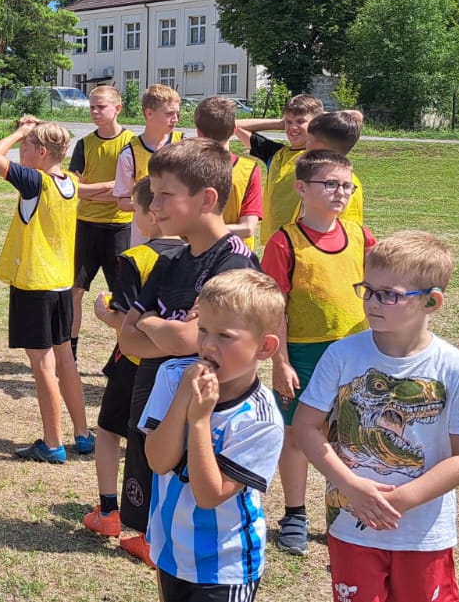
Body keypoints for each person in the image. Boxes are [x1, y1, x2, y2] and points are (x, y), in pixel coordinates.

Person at [293, 232, 459, 602]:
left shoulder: (456, 367)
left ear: (431, 302)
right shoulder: (341, 355)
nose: (373, 302)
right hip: (352, 525)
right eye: (368, 290)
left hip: (423, 533)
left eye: (390, 294)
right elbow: (305, 427)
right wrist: (351, 486)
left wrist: (402, 498)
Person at [116, 137, 262, 564]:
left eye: (165, 194)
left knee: (198, 502)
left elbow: (187, 341)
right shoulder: (171, 259)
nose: (153, 204)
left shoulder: (233, 263)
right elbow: (126, 339)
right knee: (162, 499)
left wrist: (149, 324)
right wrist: (165, 328)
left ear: (207, 198)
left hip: (207, 411)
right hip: (156, 399)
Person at [142, 269, 285, 602]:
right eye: (202, 330)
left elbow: (209, 495)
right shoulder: (172, 375)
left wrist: (200, 421)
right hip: (171, 550)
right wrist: (182, 399)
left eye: (225, 336)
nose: (207, 345)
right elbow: (158, 461)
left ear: (264, 347)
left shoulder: (260, 419)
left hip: (225, 565)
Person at [261, 150, 375, 555]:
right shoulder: (285, 241)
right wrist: (281, 362)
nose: (340, 192)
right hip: (305, 354)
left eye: (347, 185)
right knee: (296, 436)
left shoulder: (361, 235)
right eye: (331, 184)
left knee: (346, 436)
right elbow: (275, 305)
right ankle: (294, 514)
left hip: (356, 351)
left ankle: (343, 510)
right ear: (302, 189)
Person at [83, 177, 187, 537]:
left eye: (137, 209)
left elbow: (126, 319)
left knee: (110, 431)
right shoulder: (195, 255)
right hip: (178, 368)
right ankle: (157, 525)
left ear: (151, 214)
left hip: (135, 364)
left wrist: (101, 313)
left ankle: (110, 510)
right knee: (164, 444)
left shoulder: (135, 258)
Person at [0, 116, 87, 464]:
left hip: (35, 285)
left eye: (26, 147)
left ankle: (53, 442)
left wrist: (17, 132)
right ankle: (83, 435)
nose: (21, 152)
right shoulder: (70, 181)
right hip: (60, 283)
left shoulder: (36, 182)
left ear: (41, 151)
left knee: (42, 366)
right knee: (65, 361)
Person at [66, 84, 135, 362]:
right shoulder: (84, 144)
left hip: (120, 227)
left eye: (100, 106)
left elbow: (133, 191)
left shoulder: (133, 144)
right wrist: (113, 188)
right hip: (85, 225)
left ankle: (126, 354)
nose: (94, 111)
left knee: (121, 298)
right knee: (74, 291)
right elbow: (74, 190)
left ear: (117, 109)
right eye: (91, 106)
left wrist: (107, 191)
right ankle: (68, 353)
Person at [235, 94, 324, 246]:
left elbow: (355, 117)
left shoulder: (320, 155)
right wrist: (279, 123)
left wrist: (320, 121)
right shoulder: (275, 154)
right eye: (289, 122)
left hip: (304, 241)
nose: (292, 127)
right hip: (275, 240)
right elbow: (233, 125)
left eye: (300, 121)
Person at [116, 84, 186, 248]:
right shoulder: (130, 153)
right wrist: (152, 205)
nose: (175, 119)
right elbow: (122, 202)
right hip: (144, 238)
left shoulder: (183, 145)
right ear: (149, 114)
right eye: (169, 114)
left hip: (179, 236)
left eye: (177, 113)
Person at [192, 96, 264, 248]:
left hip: (196, 250)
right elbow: (248, 228)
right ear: (234, 130)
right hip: (236, 255)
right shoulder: (249, 169)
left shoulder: (186, 166)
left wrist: (200, 230)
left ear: (198, 132)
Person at [303, 110, 366, 226]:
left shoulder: (333, 181)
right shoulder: (343, 177)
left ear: (321, 146)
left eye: (309, 140)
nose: (305, 145)